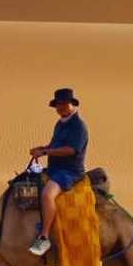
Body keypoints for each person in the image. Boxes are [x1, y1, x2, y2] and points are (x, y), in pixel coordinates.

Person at [27, 88, 90, 256]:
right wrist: (41, 148)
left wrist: (45, 152)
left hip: (70, 172)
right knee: (26, 182)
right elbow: (55, 145)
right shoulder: (60, 123)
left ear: (71, 104)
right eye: (58, 104)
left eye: (63, 104)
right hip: (54, 169)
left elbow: (70, 150)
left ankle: (44, 237)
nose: (60, 107)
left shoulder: (78, 126)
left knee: (47, 194)